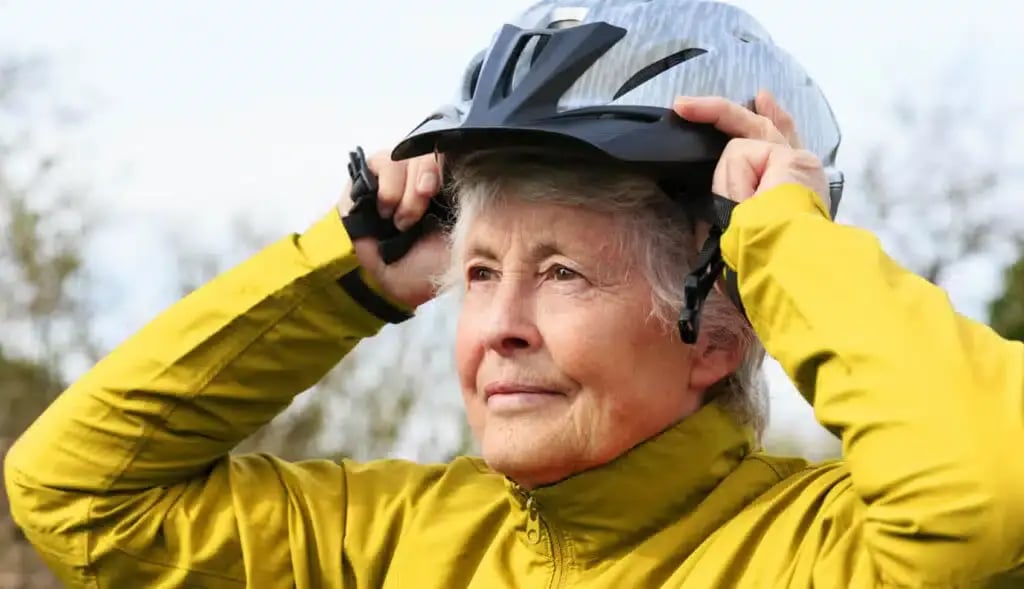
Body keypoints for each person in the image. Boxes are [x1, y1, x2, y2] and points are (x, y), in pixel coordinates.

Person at [5, 0, 1024, 587]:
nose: (496, 328)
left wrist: (781, 242)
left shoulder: (829, 551)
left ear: (717, 331)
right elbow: (77, 493)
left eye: (562, 273)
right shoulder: (390, 542)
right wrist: (336, 280)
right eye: (481, 271)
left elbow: (986, 491)